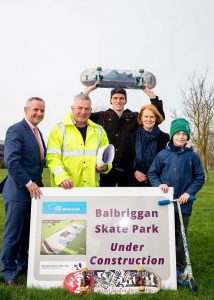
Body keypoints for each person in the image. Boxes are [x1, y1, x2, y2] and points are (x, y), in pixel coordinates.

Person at [148, 118, 205, 285]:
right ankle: (163, 265)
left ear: (187, 137)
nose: (181, 137)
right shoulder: (163, 154)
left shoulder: (192, 156)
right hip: (166, 204)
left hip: (183, 205)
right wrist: (160, 185)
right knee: (165, 235)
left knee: (181, 238)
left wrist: (188, 193)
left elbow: (199, 178)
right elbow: (153, 173)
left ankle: (180, 270)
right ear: (172, 135)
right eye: (178, 133)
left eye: (184, 134)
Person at [1, 97, 46, 285]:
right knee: (13, 234)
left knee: (26, 234)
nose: (39, 113)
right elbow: (11, 161)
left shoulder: (38, 132)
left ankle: (21, 267)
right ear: (26, 110)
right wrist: (28, 183)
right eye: (35, 110)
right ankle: (8, 272)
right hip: (19, 191)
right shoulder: (16, 130)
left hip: (33, 192)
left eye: (42, 111)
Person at [84, 84, 165, 187]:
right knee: (106, 201)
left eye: (121, 98)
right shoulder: (102, 116)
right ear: (111, 100)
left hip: (127, 171)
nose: (118, 101)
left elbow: (157, 117)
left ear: (125, 101)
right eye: (115, 98)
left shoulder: (134, 117)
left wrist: (152, 97)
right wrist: (86, 93)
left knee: (126, 201)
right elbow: (82, 115)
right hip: (106, 170)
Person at [46, 93, 110, 188]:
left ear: (91, 111)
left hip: (90, 189)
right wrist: (61, 177)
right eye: (80, 108)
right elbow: (52, 158)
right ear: (72, 109)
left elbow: (107, 156)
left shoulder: (99, 131)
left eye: (87, 109)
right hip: (66, 189)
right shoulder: (59, 129)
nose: (83, 112)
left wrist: (105, 167)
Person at [123, 104, 169, 186]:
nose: (149, 119)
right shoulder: (131, 136)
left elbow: (166, 161)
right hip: (134, 183)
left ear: (156, 118)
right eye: (146, 116)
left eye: (152, 117)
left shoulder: (164, 138)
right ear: (141, 118)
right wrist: (134, 172)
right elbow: (125, 160)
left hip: (158, 183)